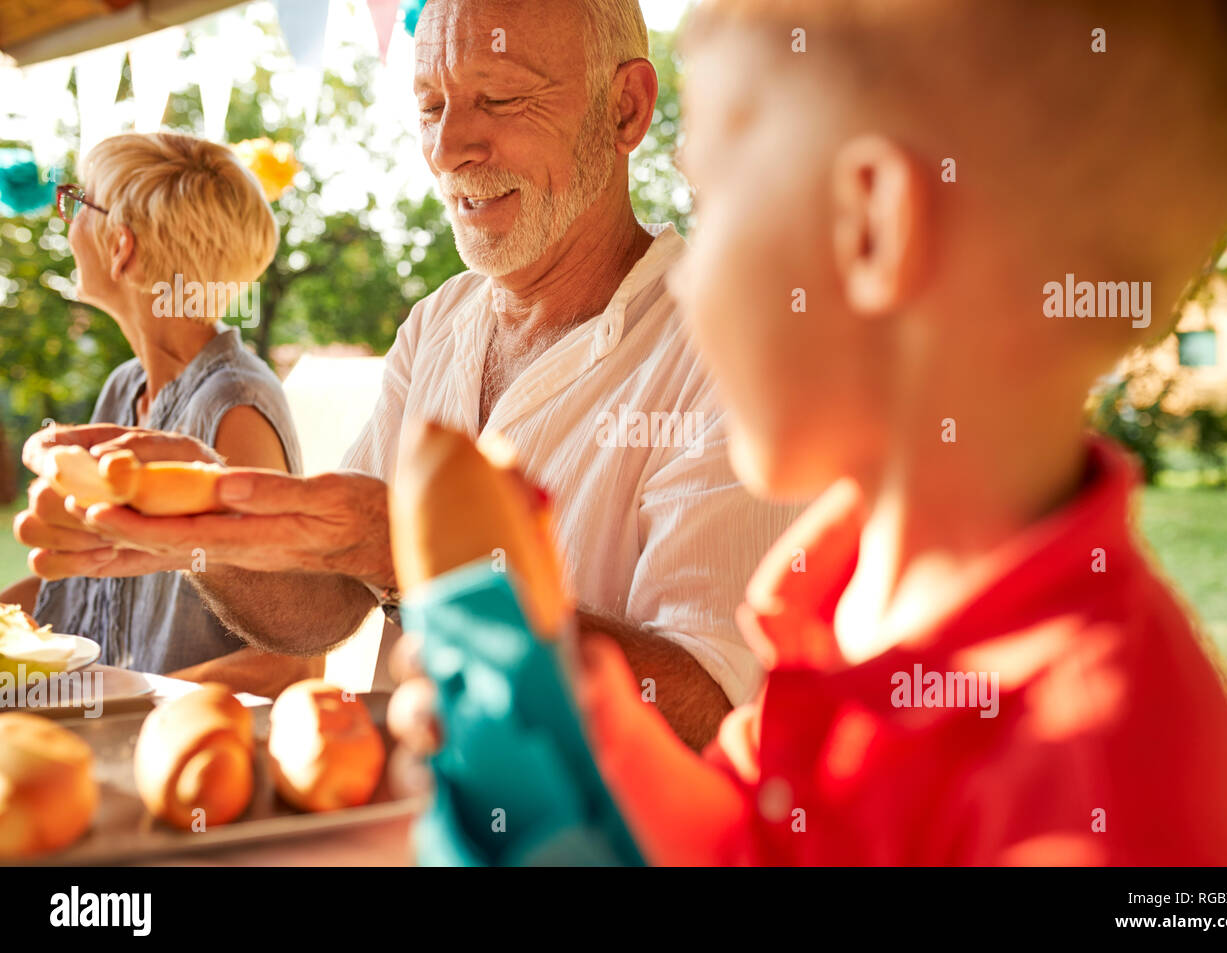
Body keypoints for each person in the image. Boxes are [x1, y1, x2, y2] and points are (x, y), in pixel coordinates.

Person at [391, 0, 1227, 864]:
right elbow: (752, 845)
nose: (689, 279)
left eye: (712, 204)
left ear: (873, 228)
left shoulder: (1095, 786)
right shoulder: (853, 599)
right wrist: (580, 712)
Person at [16, 0, 798, 748]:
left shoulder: (728, 346)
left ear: (625, 109)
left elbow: (712, 708)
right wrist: (206, 520)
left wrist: (413, 557)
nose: (450, 146)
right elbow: (326, 609)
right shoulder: (438, 323)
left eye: (498, 96)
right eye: (429, 107)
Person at [1, 132, 314, 696]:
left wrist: (114, 698)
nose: (64, 221)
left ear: (121, 246)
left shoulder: (234, 406)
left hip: (175, 745)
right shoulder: (126, 387)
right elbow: (82, 590)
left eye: (77, 202)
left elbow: (289, 664)